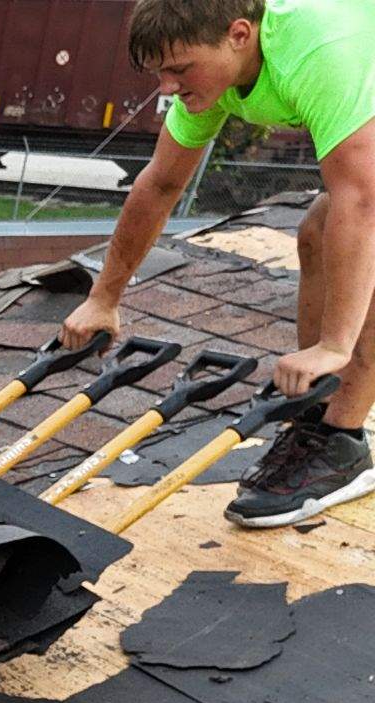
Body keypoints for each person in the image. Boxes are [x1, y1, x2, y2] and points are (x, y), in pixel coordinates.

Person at [62, 0, 375, 526]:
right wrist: (103, 298)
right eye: (161, 72)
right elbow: (160, 185)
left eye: (179, 70)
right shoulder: (210, 79)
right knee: (317, 234)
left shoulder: (317, 53)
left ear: (238, 34)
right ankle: (316, 417)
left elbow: (364, 202)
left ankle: (341, 442)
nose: (167, 88)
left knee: (357, 228)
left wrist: (334, 346)